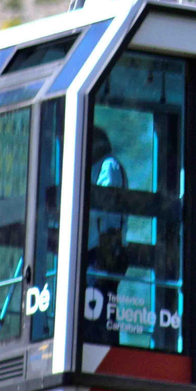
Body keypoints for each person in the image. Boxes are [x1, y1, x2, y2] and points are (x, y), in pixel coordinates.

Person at [83, 125, 129, 344]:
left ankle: (105, 350)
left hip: (102, 252)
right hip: (95, 252)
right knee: (94, 309)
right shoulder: (100, 166)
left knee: (98, 308)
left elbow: (104, 203)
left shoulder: (109, 165)